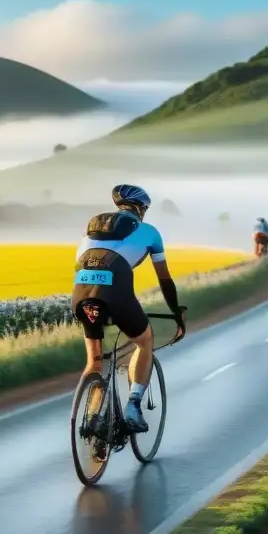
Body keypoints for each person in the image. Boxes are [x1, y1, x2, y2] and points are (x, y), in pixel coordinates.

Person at [72, 184, 186, 433]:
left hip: (81, 294)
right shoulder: (150, 233)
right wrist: (177, 314)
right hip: (115, 293)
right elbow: (164, 280)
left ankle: (91, 418)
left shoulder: (92, 226)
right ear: (141, 208)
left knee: (94, 362)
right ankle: (133, 405)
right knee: (144, 340)